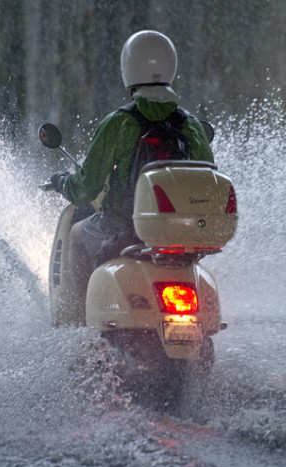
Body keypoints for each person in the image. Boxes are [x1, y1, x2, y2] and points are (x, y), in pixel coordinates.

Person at [50, 30, 214, 298]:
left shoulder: (120, 122)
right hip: (179, 234)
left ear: (128, 68)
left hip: (125, 228)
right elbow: (206, 179)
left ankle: (82, 325)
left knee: (76, 236)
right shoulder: (191, 125)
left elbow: (85, 189)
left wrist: (61, 183)